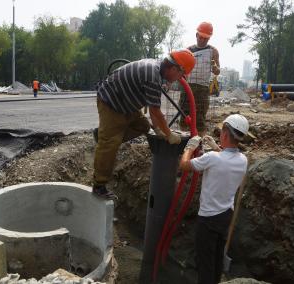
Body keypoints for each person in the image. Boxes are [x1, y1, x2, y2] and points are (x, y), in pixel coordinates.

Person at [92, 49, 196, 200]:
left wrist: (158, 128)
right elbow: (155, 111)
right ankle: (99, 185)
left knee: (143, 126)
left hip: (128, 103)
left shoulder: (158, 70)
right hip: (112, 102)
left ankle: (103, 135)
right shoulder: (153, 76)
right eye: (181, 74)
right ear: (174, 68)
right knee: (110, 143)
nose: (179, 79)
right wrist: (168, 134)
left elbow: (154, 111)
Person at [179, 114, 249, 284]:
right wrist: (216, 147)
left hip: (208, 219)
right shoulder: (243, 160)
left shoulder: (212, 159)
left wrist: (189, 147)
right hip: (225, 216)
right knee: (217, 258)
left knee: (205, 262)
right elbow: (226, 158)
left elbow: (184, 165)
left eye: (221, 133)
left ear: (225, 134)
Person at [179, 21, 220, 137]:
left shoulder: (213, 51)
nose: (202, 40)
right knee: (184, 115)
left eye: (205, 38)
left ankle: (199, 144)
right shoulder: (188, 50)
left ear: (209, 38)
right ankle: (183, 143)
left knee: (200, 118)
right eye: (201, 37)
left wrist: (215, 67)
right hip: (188, 87)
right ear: (196, 35)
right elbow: (181, 69)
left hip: (202, 89)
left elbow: (217, 71)